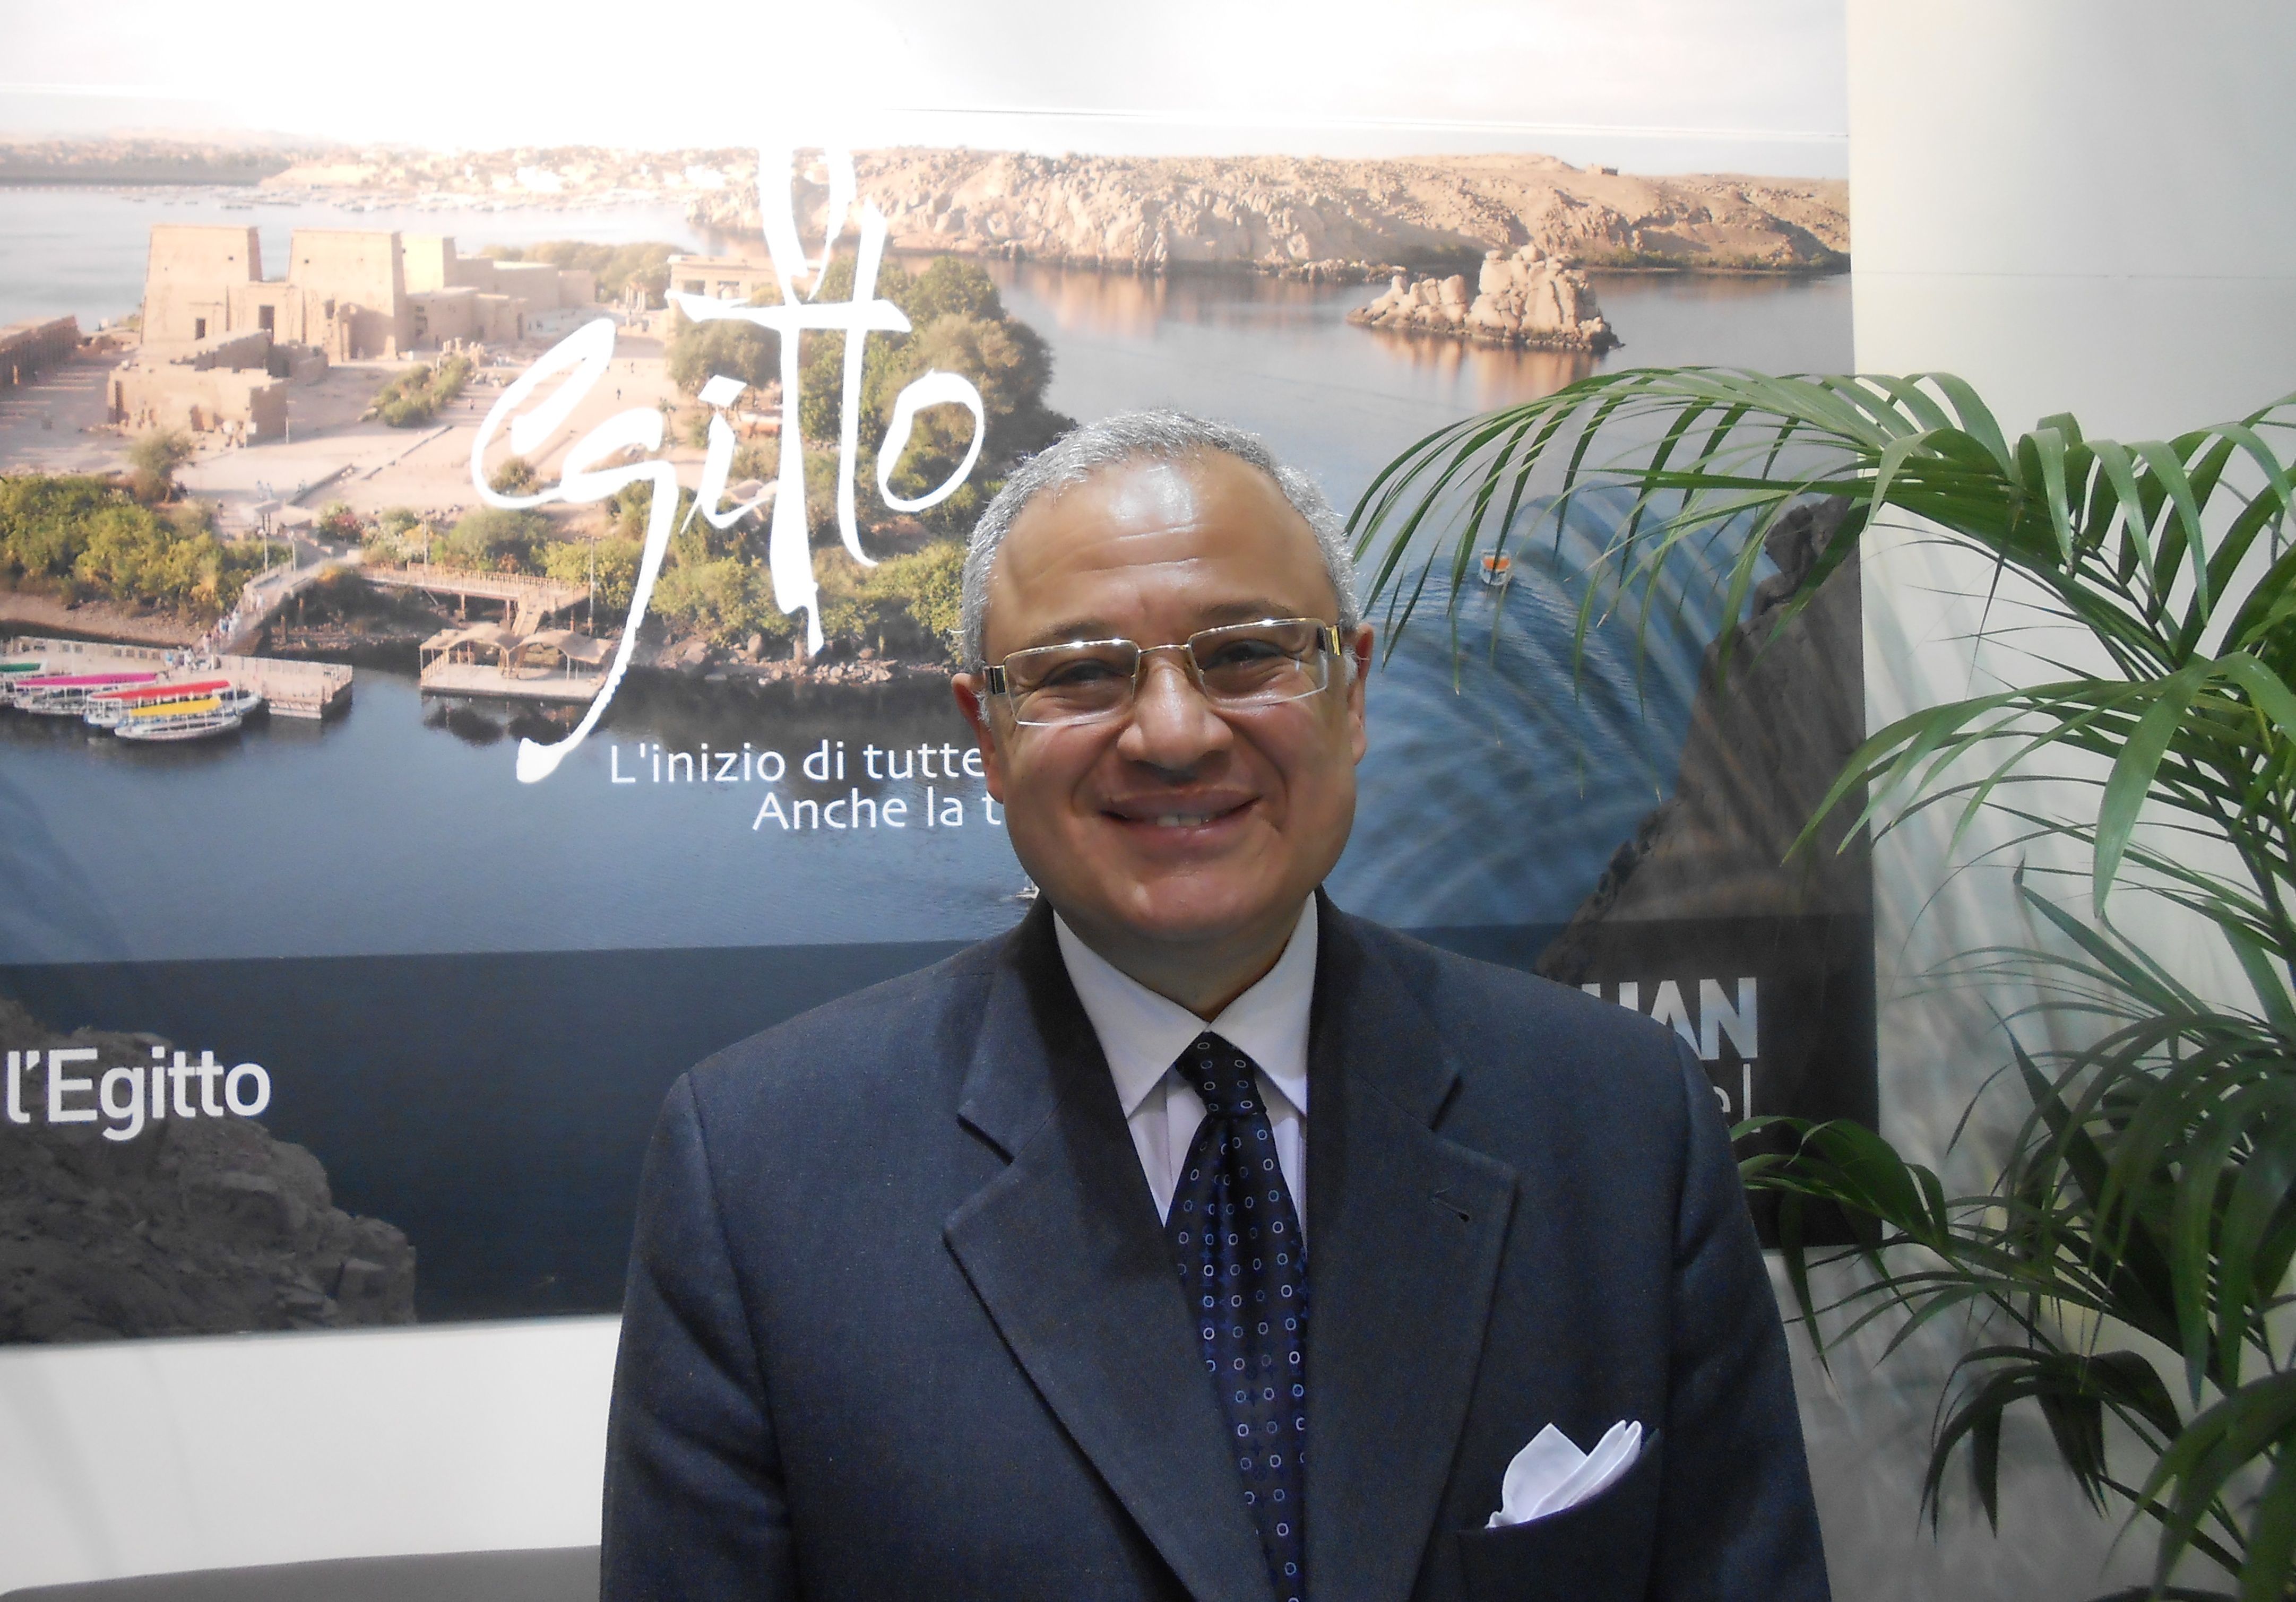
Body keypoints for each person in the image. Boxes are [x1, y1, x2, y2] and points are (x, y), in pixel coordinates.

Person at [601, 411, 1829, 1602]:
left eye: (1246, 654)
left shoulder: (1619, 1120)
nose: (1175, 733)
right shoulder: (764, 1178)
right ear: (988, 734)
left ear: (1353, 691)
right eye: (1082, 673)